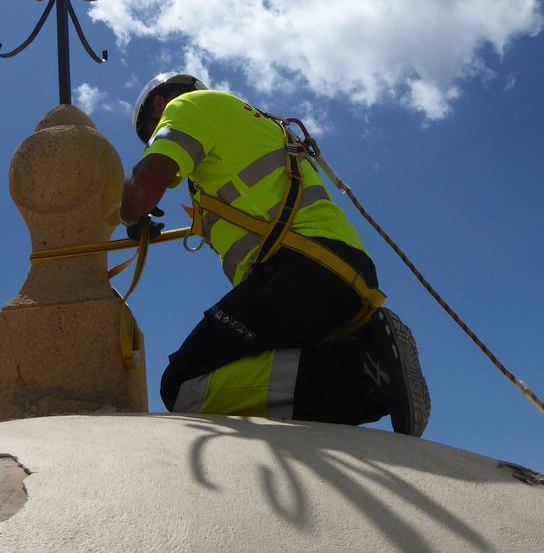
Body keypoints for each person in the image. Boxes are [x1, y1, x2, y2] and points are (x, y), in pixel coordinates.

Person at [120, 72, 430, 436]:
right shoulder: (256, 126)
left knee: (184, 385)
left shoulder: (189, 106)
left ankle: (360, 369)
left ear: (160, 105)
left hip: (298, 273)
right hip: (341, 271)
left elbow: (144, 186)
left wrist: (130, 215)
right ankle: (369, 373)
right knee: (262, 371)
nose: (154, 140)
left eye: (151, 133)